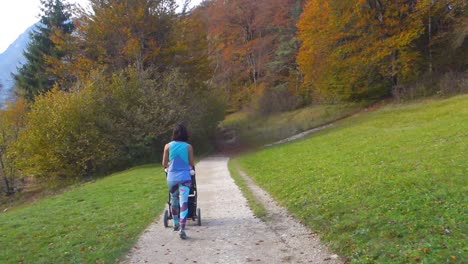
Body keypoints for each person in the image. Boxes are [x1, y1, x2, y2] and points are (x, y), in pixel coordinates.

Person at [162, 124, 195, 239]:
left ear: (174, 133)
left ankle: (175, 223)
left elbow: (164, 164)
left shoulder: (167, 146)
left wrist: (169, 165)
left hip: (172, 178)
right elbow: (191, 163)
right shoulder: (188, 147)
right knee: (184, 202)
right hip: (185, 178)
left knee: (174, 200)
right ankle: (182, 228)